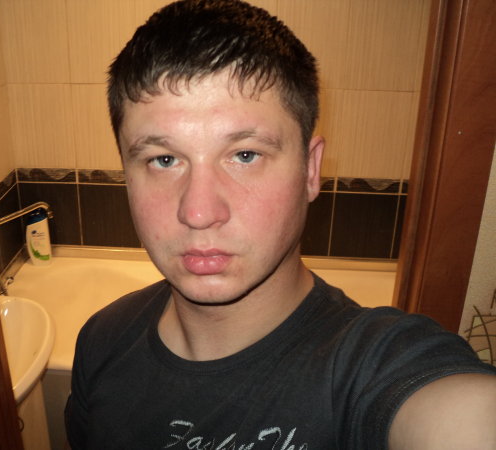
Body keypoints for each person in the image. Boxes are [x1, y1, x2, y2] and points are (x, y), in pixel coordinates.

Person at [65, 1, 496, 448]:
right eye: (164, 160)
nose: (198, 212)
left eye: (245, 155)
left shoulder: (370, 367)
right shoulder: (103, 339)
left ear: (310, 171)